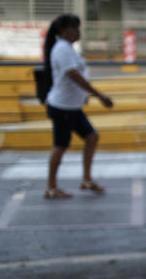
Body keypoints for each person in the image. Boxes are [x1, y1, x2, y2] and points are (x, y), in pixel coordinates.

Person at [42, 14, 113, 199]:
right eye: (75, 28)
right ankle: (51, 187)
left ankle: (87, 180)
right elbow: (74, 75)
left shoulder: (69, 48)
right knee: (60, 146)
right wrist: (98, 95)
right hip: (62, 107)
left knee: (91, 137)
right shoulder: (62, 49)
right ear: (64, 31)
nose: (78, 31)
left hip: (72, 107)